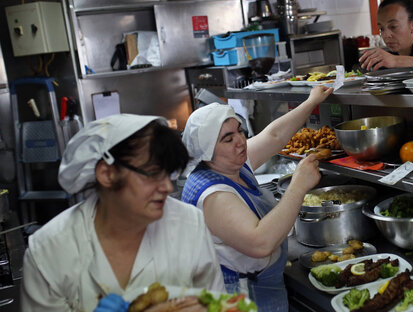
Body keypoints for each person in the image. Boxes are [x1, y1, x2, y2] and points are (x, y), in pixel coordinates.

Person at [21, 114, 225, 311]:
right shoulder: (49, 250)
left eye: (168, 173)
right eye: (153, 173)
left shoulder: (188, 224)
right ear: (107, 174)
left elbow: (218, 305)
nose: (167, 187)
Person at [181, 85, 333, 311]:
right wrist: (298, 185)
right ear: (206, 151)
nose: (240, 141)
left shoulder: (229, 164)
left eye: (240, 131)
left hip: (263, 286)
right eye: (227, 139)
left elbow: (274, 136)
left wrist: (311, 102)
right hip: (242, 298)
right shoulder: (212, 194)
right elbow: (260, 242)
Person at [359, 0, 413, 72]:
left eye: (393, 27)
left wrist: (396, 60)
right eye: (381, 29)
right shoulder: (390, 57)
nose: (386, 35)